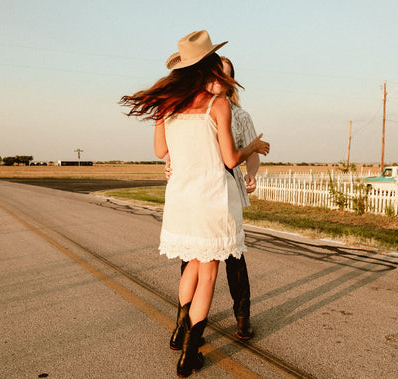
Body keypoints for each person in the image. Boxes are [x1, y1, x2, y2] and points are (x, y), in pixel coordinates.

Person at [119, 30, 269, 377]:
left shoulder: (166, 105)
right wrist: (253, 147)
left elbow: (160, 152)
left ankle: (179, 330)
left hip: (181, 199)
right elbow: (231, 159)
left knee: (192, 268)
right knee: (209, 272)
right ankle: (190, 352)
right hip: (213, 198)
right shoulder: (217, 105)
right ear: (208, 68)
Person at [166, 56, 259, 345]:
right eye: (215, 75)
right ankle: (188, 328)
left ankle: (241, 318)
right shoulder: (198, 108)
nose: (219, 81)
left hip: (223, 192)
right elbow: (176, 150)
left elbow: (250, 155)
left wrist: (251, 174)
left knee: (234, 260)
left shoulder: (239, 115)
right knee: (195, 259)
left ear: (231, 81)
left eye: (225, 75)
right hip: (206, 194)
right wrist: (170, 164)